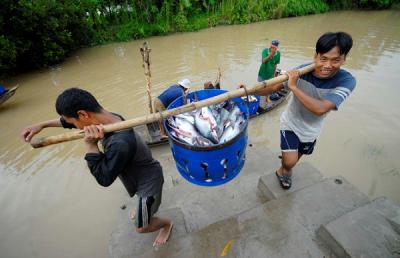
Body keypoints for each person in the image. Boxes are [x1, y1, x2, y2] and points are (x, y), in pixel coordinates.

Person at [20, 88, 173, 247]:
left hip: (149, 182)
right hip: (135, 172)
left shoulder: (120, 143)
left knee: (142, 227)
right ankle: (145, 209)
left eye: (74, 123)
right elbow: (67, 120)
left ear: (83, 114)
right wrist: (42, 125)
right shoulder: (107, 116)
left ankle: (166, 224)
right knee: (142, 206)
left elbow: (104, 178)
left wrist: (90, 144)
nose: (77, 127)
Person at [255, 32, 356, 189]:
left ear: (344, 59)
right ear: (315, 56)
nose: (328, 65)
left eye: (335, 60)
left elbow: (320, 109)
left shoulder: (346, 81)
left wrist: (293, 87)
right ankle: (284, 170)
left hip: (312, 129)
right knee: (290, 161)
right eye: (323, 59)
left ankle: (286, 170)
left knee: (297, 156)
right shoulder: (301, 71)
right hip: (291, 122)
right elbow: (272, 88)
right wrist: (249, 91)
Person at [257, 39, 281, 109]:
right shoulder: (265, 51)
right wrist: (270, 55)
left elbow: (275, 64)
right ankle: (259, 100)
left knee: (269, 88)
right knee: (260, 87)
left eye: (275, 45)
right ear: (270, 44)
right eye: (272, 45)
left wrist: (274, 75)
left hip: (270, 74)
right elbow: (263, 61)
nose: (273, 47)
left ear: (277, 47)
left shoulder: (278, 53)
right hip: (262, 73)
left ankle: (266, 98)